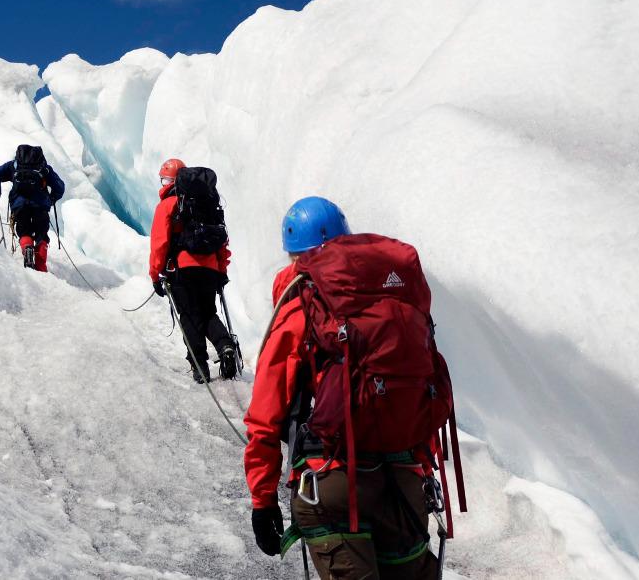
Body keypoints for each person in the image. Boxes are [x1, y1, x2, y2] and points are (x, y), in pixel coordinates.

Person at [242, 196, 457, 580]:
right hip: (404, 481)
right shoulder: (394, 300)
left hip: (329, 479)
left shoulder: (300, 306)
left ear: (295, 255)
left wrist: (262, 500)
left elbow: (265, 415)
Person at [148, 158, 238, 384]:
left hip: (181, 270)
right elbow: (221, 241)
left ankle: (200, 366)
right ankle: (225, 344)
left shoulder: (169, 205)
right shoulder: (207, 203)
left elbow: (160, 243)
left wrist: (155, 274)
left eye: (166, 179)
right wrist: (221, 271)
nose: (164, 183)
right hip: (210, 270)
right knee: (208, 313)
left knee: (189, 317)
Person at [0, 145, 65, 272]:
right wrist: (51, 199)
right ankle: (41, 267)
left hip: (19, 205)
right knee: (42, 235)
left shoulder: (13, 166)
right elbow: (60, 187)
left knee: (24, 231)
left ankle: (27, 247)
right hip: (40, 206)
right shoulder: (45, 169)